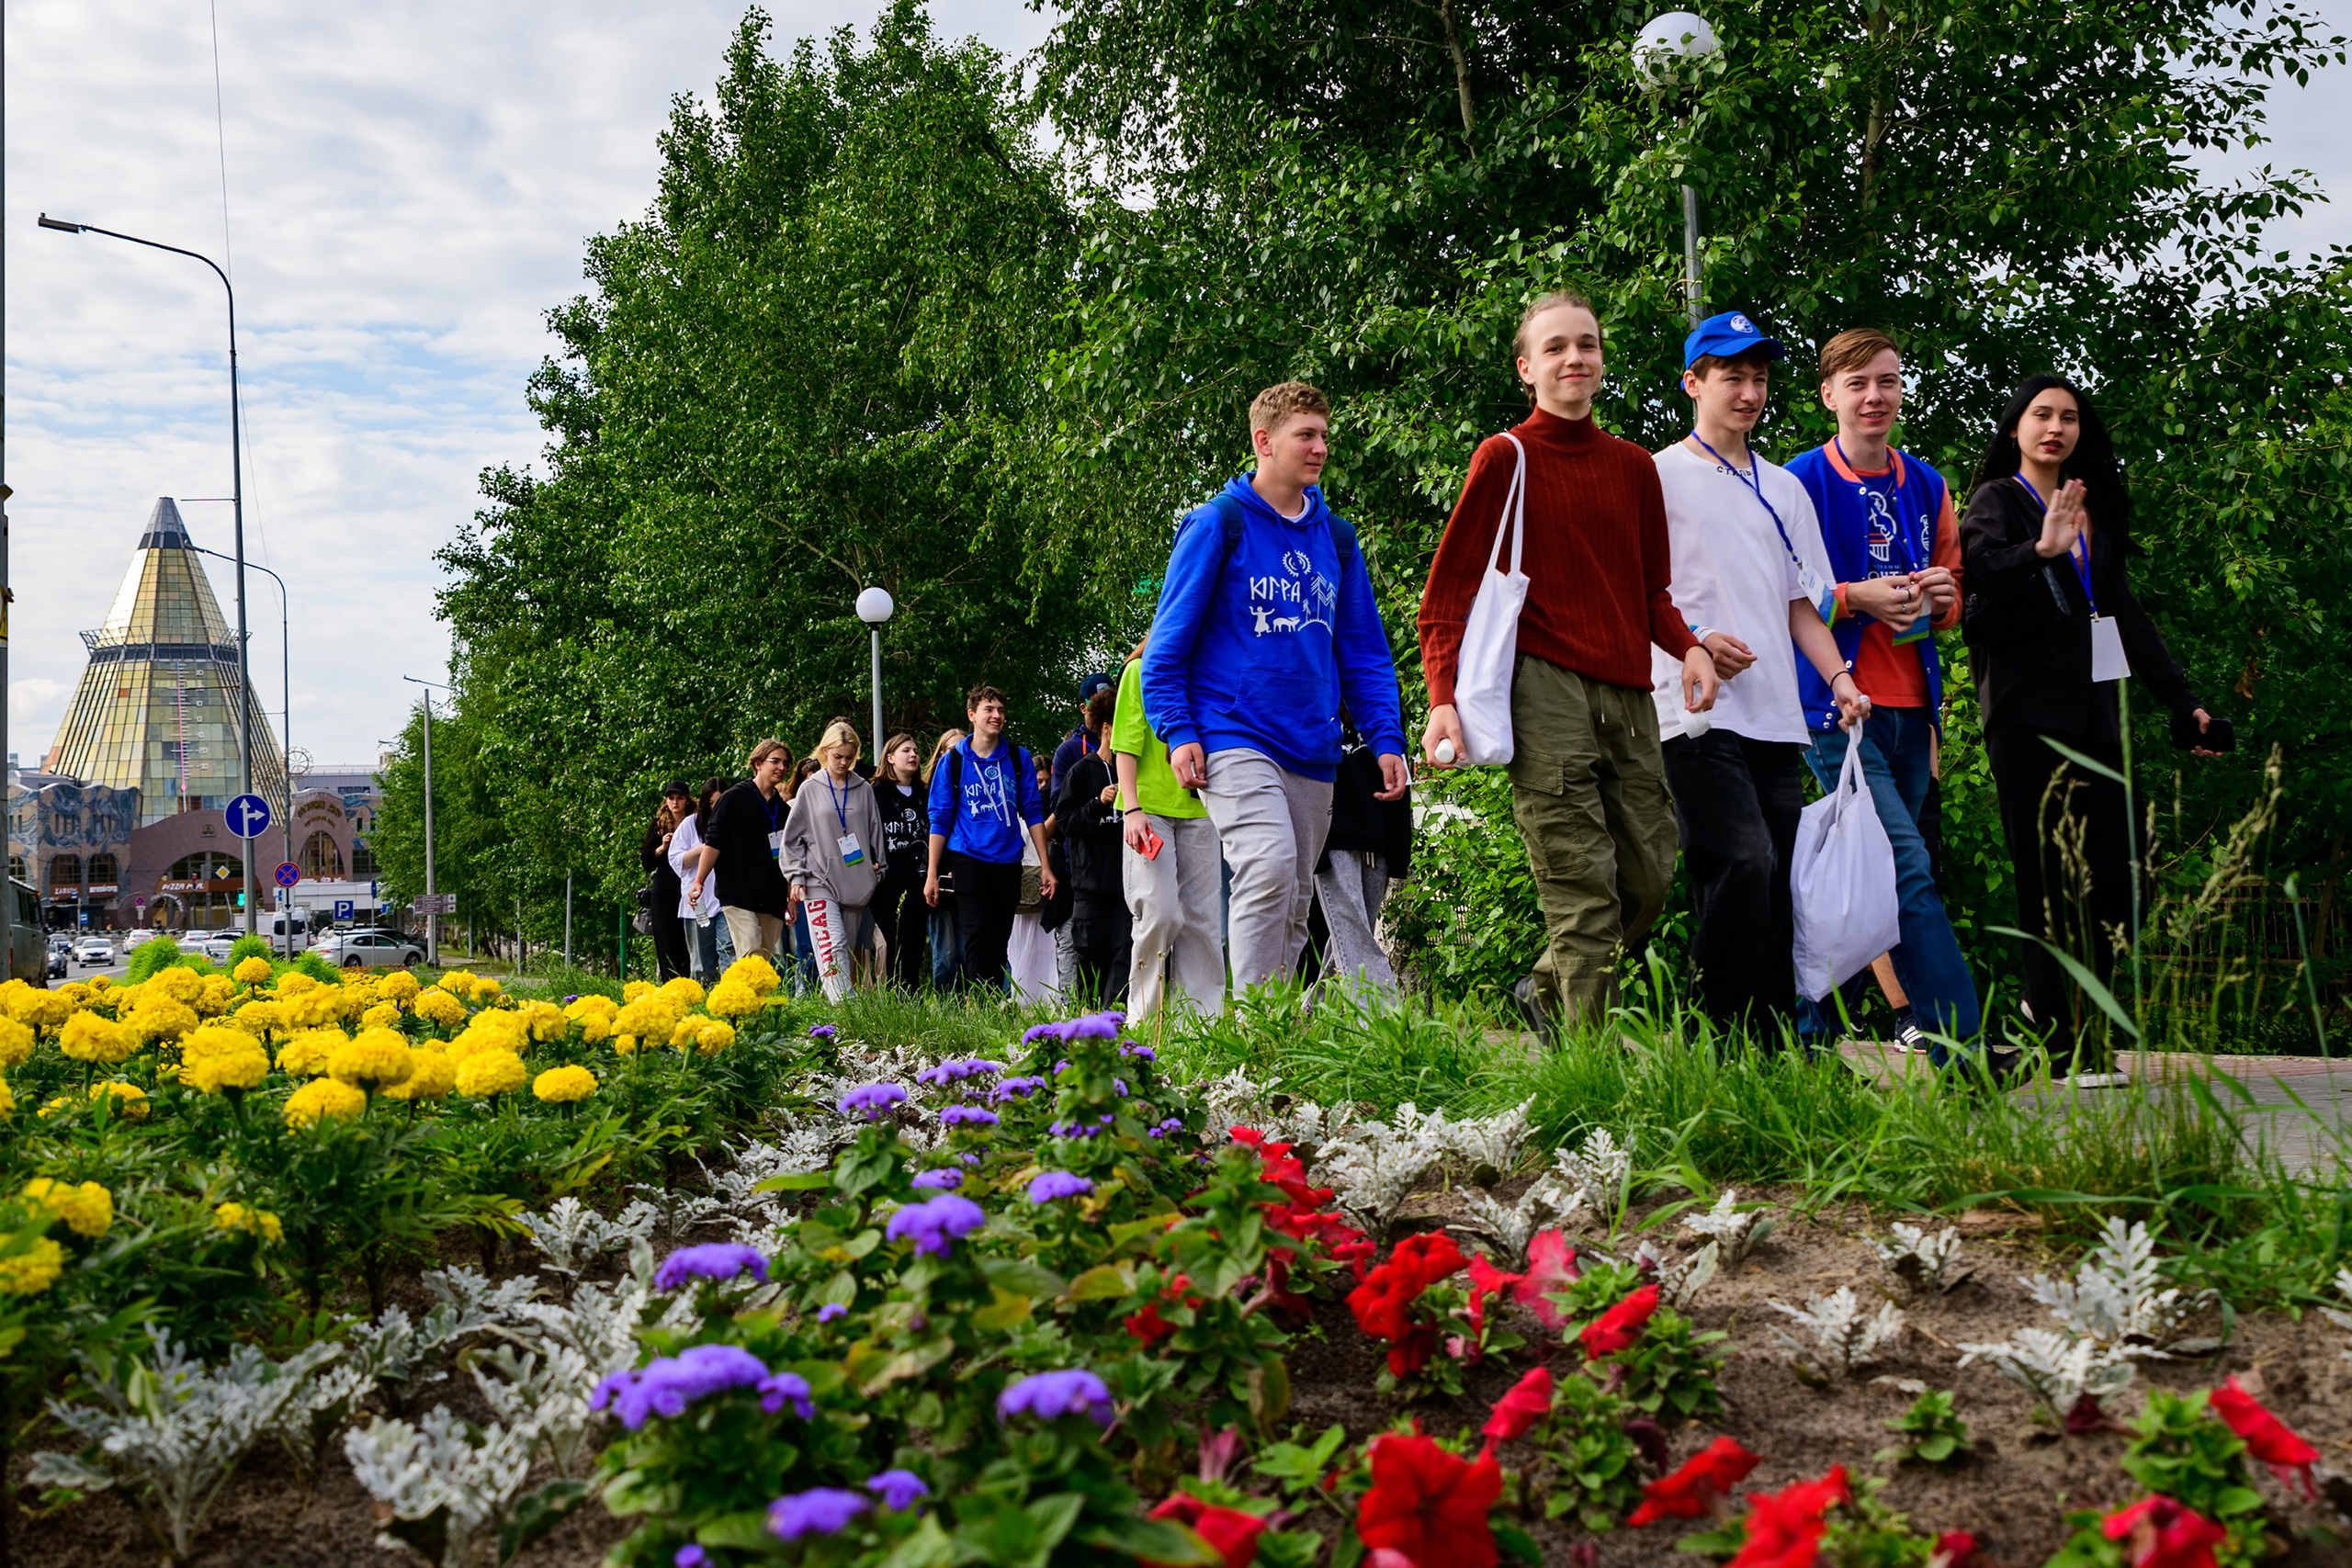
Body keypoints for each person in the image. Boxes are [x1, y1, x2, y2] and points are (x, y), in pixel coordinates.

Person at [1418, 292, 1720, 1035]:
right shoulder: (1505, 457)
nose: (1574, 357)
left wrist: (1690, 647)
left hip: (1629, 691)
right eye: (1554, 347)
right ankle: (1589, 1071)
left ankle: (1547, 990)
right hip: (1543, 684)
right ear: (1527, 368)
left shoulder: (1633, 467)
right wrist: (1441, 698)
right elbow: (1447, 593)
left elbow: (1651, 591)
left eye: (1586, 343)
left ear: (1601, 359)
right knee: (1581, 881)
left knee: (1648, 875)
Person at [1962, 375, 2220, 1081]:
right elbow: (1977, 572)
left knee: (2126, 868)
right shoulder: (1998, 501)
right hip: (2025, 717)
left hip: (2095, 717)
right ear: (2015, 427)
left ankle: (2046, 1009)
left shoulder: (2091, 509)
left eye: (2068, 417)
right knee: (2048, 876)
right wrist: (2041, 549)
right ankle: (2074, 1041)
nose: (2055, 427)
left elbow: (2124, 615)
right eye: (2041, 414)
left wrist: (2184, 703)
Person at [1141, 380, 1409, 995]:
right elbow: (1166, 646)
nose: (1320, 448)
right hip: (1232, 731)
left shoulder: (1337, 540)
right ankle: (1252, 1025)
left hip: (1312, 745)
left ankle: (1274, 1023)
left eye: (1324, 435)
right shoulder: (1218, 524)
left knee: (1292, 897)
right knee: (1268, 862)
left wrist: (1385, 737)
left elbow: (1364, 652)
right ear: (1264, 442)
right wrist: (1178, 729)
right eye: (1305, 435)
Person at [1650, 312, 1872, 1036]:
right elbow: (1639, 591)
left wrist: (1839, 680)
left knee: (1778, 881)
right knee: (1741, 860)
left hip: (1777, 715)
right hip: (1694, 708)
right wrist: (1697, 640)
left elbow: (1802, 604)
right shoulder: (1657, 475)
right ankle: (1709, 1034)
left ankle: (1770, 1051)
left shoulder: (1784, 487)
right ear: (1693, 383)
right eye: (1732, 377)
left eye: (1759, 378)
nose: (1749, 392)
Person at [1782, 328, 1982, 1054]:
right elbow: (1779, 592)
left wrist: (1942, 598)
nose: (1875, 396)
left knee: (1864, 877)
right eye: (1858, 383)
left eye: (1888, 381)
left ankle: (1807, 1035)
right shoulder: (1799, 481)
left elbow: (1953, 594)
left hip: (1910, 709)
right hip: (1835, 708)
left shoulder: (1926, 484)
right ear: (1828, 394)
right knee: (1906, 867)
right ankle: (1963, 1048)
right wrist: (1852, 597)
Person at [1112, 637, 1225, 1017]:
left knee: (1203, 919)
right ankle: (1143, 1020)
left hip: (1201, 809)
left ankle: (1201, 1021)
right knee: (1159, 912)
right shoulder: (1139, 670)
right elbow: (1124, 745)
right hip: (1148, 810)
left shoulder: (1210, 672)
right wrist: (1132, 809)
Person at [924, 687, 1056, 991]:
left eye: (1001, 710)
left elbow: (1033, 812)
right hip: (967, 856)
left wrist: (1046, 866)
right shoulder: (953, 762)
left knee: (999, 937)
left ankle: (992, 1000)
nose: (997, 716)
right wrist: (932, 874)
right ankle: (979, 1001)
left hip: (1008, 859)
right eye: (989, 709)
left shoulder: (1018, 758)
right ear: (972, 715)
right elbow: (939, 819)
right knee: (977, 932)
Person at [782, 719, 887, 1004]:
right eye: (838, 756)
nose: (843, 762)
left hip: (855, 881)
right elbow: (792, 839)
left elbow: (874, 831)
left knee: (847, 951)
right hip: (818, 880)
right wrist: (796, 876)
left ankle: (837, 1009)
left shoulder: (863, 789)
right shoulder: (810, 788)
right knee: (833, 945)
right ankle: (845, 1008)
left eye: (849, 757)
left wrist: (878, 867)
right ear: (825, 751)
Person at [1309, 720, 1415, 1000]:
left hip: (1378, 837)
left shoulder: (1380, 702)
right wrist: (1314, 843)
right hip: (1331, 835)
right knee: (1355, 935)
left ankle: (1311, 1010)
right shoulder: (1314, 699)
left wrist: (1398, 850)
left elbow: (1400, 771)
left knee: (1353, 937)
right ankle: (1385, 1015)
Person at [1056, 686, 1132, 1005]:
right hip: (1090, 887)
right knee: (1090, 959)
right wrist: (1098, 803)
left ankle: (1118, 1020)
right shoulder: (1080, 771)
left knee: (1124, 956)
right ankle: (1088, 1022)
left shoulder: (1135, 771)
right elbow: (1066, 823)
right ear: (1107, 727)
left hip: (1127, 887)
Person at [688, 739, 794, 964]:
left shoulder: (784, 810)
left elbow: (789, 858)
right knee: (751, 953)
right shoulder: (733, 798)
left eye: (785, 764)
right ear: (758, 763)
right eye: (775, 761)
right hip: (737, 893)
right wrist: (699, 881)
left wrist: (791, 898)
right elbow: (713, 843)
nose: (781, 767)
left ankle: (742, 988)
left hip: (772, 896)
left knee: (763, 961)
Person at [870, 733, 930, 990]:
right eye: (906, 750)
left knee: (914, 939)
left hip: (919, 878)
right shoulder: (876, 792)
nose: (913, 755)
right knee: (888, 939)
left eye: (916, 750)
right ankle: (887, 991)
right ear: (890, 757)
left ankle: (910, 993)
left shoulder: (924, 793)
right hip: (888, 880)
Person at [667, 776, 732, 984]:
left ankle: (731, 993)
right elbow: (676, 860)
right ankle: (704, 996)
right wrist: (706, 848)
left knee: (729, 950)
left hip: (727, 900)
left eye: (720, 802)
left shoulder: (734, 823)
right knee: (702, 961)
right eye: (711, 803)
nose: (715, 808)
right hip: (699, 902)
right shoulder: (690, 824)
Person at [920, 728, 967, 990]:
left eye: (962, 749)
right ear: (940, 755)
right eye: (951, 750)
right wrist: (931, 874)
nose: (957, 756)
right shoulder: (927, 793)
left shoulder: (974, 791)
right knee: (946, 954)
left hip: (969, 875)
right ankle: (948, 1004)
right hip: (940, 877)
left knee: (967, 951)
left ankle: (977, 1004)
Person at [640, 783, 694, 982]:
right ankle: (669, 985)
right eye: (671, 798)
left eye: (679, 798)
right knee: (666, 943)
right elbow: (646, 861)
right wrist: (661, 848)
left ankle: (691, 984)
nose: (675, 802)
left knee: (689, 941)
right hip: (664, 891)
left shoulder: (695, 822)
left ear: (687, 800)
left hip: (690, 889)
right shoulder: (659, 825)